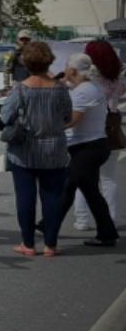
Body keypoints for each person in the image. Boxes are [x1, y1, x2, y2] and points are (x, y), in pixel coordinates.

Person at [0, 41, 72, 257]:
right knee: (52, 197)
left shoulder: (20, 90)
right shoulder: (60, 89)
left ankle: (28, 244)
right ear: (49, 61)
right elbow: (67, 116)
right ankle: (51, 244)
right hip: (55, 150)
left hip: (24, 150)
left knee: (25, 197)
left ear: (25, 62)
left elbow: (5, 117)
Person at [55, 53, 118, 248]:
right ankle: (48, 224)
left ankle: (107, 234)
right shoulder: (89, 87)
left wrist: (49, 126)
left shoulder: (83, 91)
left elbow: (72, 120)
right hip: (92, 146)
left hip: (87, 149)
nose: (64, 70)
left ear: (72, 70)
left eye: (66, 66)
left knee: (90, 193)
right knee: (68, 188)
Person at [74, 40, 125, 232]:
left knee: (83, 178)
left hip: (90, 128)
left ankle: (82, 219)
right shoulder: (116, 76)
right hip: (111, 127)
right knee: (109, 179)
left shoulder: (90, 78)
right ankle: (113, 217)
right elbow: (121, 92)